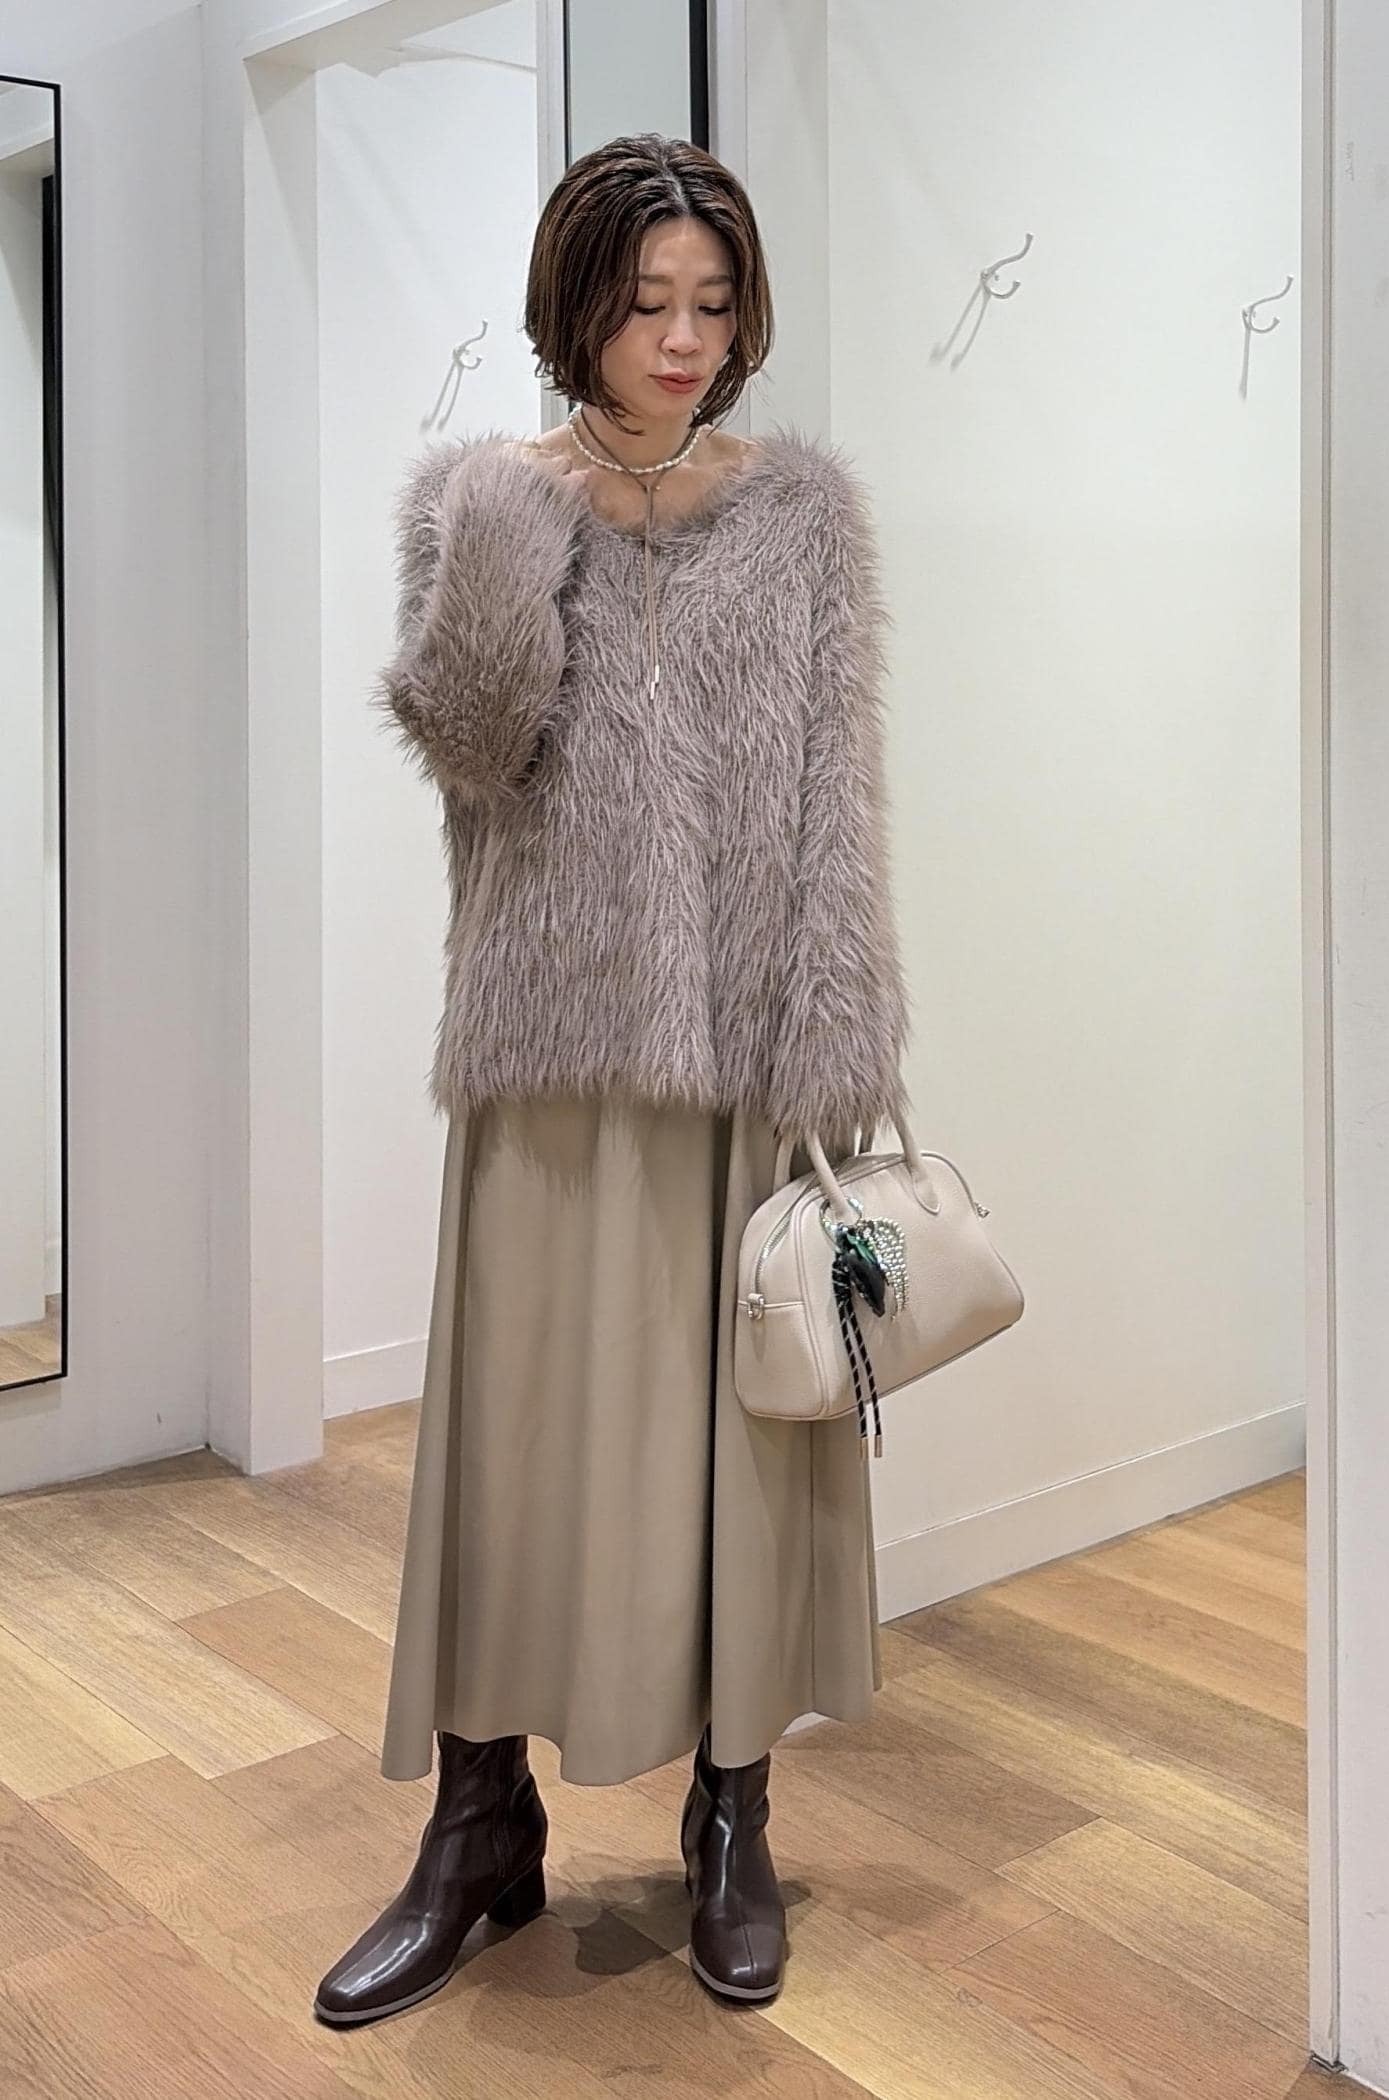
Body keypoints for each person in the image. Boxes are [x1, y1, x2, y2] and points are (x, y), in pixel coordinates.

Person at [313, 130, 912, 2027]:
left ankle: (732, 1818)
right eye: (646, 301)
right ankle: (479, 1823)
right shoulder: (482, 497)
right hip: (547, 1048)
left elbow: (836, 800)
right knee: (514, 1441)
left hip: (741, 1064)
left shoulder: (802, 516)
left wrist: (835, 1034)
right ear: (575, 301)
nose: (681, 340)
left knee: (737, 1440)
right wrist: (512, 531)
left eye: (713, 304)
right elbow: (474, 749)